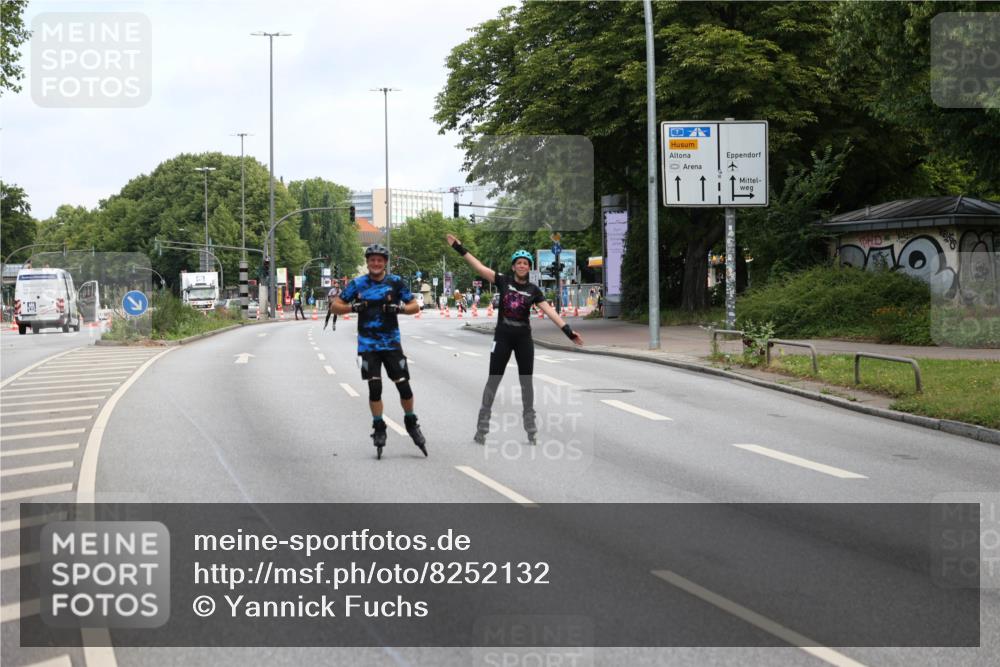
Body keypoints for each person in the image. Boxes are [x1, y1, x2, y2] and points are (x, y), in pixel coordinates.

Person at [446, 234, 583, 445]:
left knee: (526, 382)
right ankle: (483, 424)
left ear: (529, 268)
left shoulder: (533, 290)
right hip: (502, 338)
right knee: (494, 379)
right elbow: (480, 268)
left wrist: (568, 331)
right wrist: (459, 247)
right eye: (518, 263)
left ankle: (530, 423)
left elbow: (549, 311)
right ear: (513, 267)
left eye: (525, 263)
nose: (521, 266)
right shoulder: (503, 281)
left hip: (523, 340)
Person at [331, 244, 427, 459]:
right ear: (368, 262)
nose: (376, 263)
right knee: (375, 389)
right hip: (368, 346)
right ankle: (379, 426)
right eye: (372, 260)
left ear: (385, 263)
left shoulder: (395, 283)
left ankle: (411, 421)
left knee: (404, 387)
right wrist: (352, 308)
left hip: (392, 344)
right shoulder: (357, 284)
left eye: (380, 260)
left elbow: (415, 306)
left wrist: (399, 309)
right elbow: (335, 306)